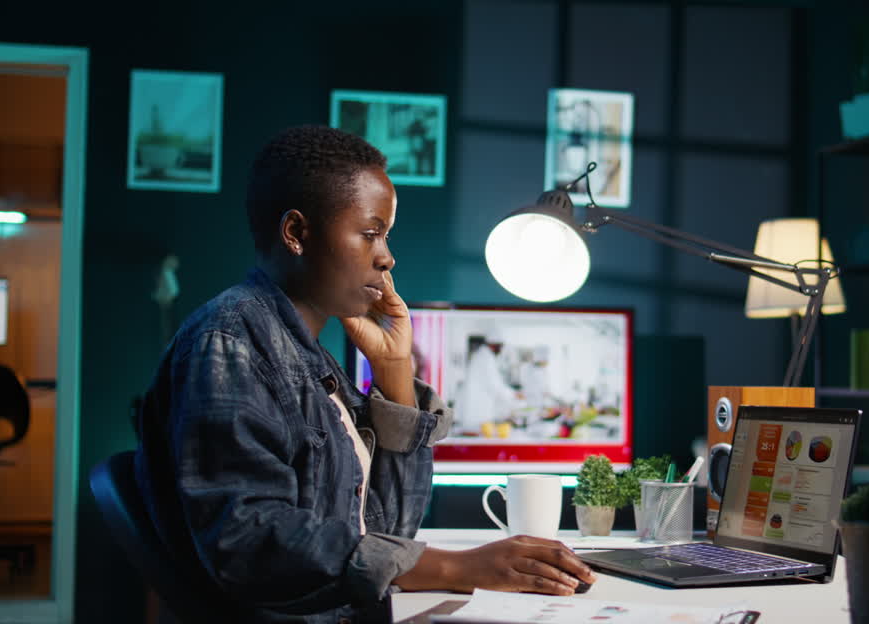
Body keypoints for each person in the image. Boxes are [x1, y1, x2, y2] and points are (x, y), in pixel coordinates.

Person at [135, 125, 594, 624]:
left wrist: (394, 371)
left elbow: (388, 528)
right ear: (296, 233)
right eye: (371, 233)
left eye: (387, 235)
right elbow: (247, 540)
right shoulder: (229, 344)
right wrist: (456, 566)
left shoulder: (307, 356)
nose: (387, 257)